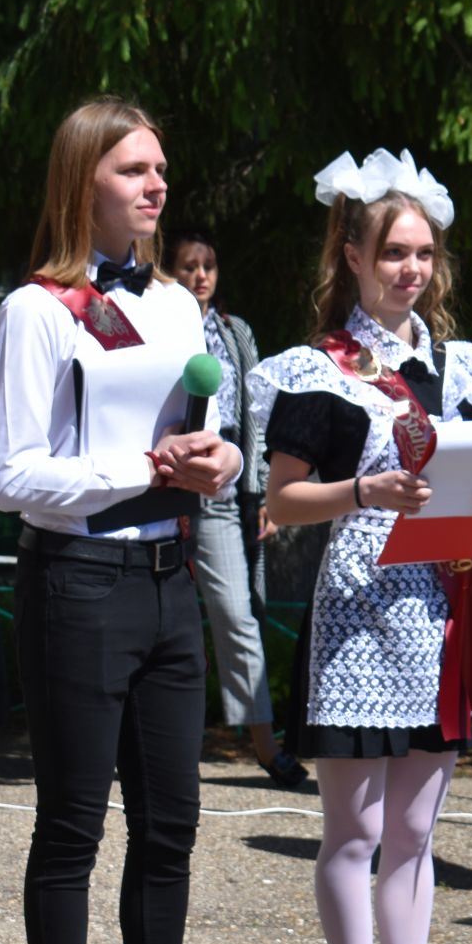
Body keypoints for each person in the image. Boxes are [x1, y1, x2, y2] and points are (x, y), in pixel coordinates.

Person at [0, 98, 276, 944]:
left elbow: (215, 432)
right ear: (82, 181)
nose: (156, 185)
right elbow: (12, 476)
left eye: (160, 168)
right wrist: (141, 469)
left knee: (173, 827)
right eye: (132, 170)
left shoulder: (175, 305)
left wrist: (219, 460)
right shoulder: (36, 310)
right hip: (78, 583)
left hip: (169, 582)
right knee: (71, 829)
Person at [253, 148, 472, 944]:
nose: (412, 268)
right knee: (355, 831)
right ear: (354, 256)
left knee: (415, 830)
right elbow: (282, 500)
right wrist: (365, 488)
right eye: (394, 251)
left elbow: (461, 482)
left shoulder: (454, 369)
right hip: (358, 613)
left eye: (424, 253)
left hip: (436, 604)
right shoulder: (320, 369)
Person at [164, 228, 306, 789]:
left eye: (209, 266)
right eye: (188, 267)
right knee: (153, 619)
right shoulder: (152, 324)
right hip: (157, 486)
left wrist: (265, 489)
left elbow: (258, 414)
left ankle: (266, 746)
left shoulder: (233, 330)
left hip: (220, 491)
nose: (201, 277)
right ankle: (154, 743)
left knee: (237, 615)